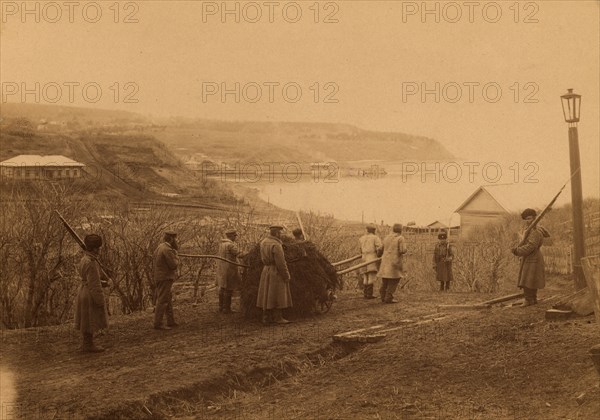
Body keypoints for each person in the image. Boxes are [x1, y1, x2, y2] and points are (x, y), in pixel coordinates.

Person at [75, 234, 109, 353]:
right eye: (98, 248)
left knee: (86, 319)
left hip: (83, 291)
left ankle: (86, 344)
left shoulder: (84, 259)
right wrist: (100, 300)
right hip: (89, 293)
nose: (99, 250)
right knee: (89, 320)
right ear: (94, 248)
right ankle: (88, 345)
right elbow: (94, 284)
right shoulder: (91, 262)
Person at [256, 225, 293, 324]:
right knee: (277, 294)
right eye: (280, 233)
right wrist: (286, 275)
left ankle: (266, 317)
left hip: (266, 270)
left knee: (267, 293)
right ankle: (278, 318)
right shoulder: (276, 245)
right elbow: (281, 263)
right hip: (275, 271)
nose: (280, 235)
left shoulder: (263, 242)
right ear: (276, 233)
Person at [512, 208, 546, 306]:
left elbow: (531, 246)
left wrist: (517, 251)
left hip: (533, 257)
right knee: (530, 279)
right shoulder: (530, 230)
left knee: (528, 279)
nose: (528, 221)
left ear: (535, 218)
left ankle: (528, 300)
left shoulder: (535, 231)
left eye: (529, 218)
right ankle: (532, 299)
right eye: (526, 219)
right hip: (530, 257)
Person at [153, 231, 179, 329]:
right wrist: (176, 256)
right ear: (171, 239)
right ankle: (158, 324)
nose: (176, 241)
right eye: (175, 239)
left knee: (167, 299)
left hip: (160, 276)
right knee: (163, 300)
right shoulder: (167, 249)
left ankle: (170, 321)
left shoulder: (160, 247)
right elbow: (173, 265)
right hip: (165, 277)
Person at [378, 224, 407, 303]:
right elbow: (402, 250)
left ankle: (382, 295)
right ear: (401, 230)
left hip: (385, 262)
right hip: (395, 262)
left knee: (385, 279)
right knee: (394, 279)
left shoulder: (387, 237)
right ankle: (389, 297)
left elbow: (380, 249)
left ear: (393, 229)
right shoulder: (400, 238)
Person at [217, 229, 241, 314]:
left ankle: (221, 307)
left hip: (222, 268)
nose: (235, 237)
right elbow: (239, 254)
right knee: (229, 288)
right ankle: (226, 309)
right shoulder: (230, 245)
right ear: (230, 236)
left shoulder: (222, 244)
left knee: (222, 287)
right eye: (234, 236)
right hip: (229, 269)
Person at [359, 223, 383, 299]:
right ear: (373, 231)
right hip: (371, 257)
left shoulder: (361, 238)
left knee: (365, 275)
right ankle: (369, 294)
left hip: (363, 258)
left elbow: (360, 249)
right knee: (371, 276)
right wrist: (379, 255)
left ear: (367, 230)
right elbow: (379, 249)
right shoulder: (375, 238)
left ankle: (365, 294)